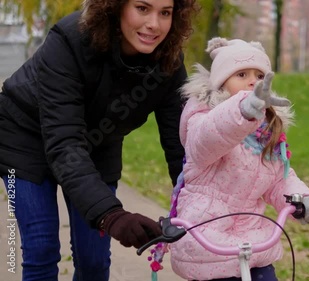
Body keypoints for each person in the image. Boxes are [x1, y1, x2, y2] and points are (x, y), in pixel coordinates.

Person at [0, 0, 198, 280]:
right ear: (115, 7)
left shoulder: (168, 60)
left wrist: (201, 207)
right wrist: (111, 215)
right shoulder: (69, 40)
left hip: (98, 143)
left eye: (165, 12)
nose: (154, 24)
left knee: (93, 261)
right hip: (22, 138)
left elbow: (180, 146)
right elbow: (64, 143)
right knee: (41, 248)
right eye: (142, 8)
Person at [169, 37, 309, 281]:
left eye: (259, 76)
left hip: (253, 238)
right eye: (241, 74)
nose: (253, 81)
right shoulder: (202, 118)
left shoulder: (265, 132)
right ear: (221, 83)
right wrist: (241, 110)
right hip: (208, 239)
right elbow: (207, 139)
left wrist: (304, 199)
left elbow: (277, 178)